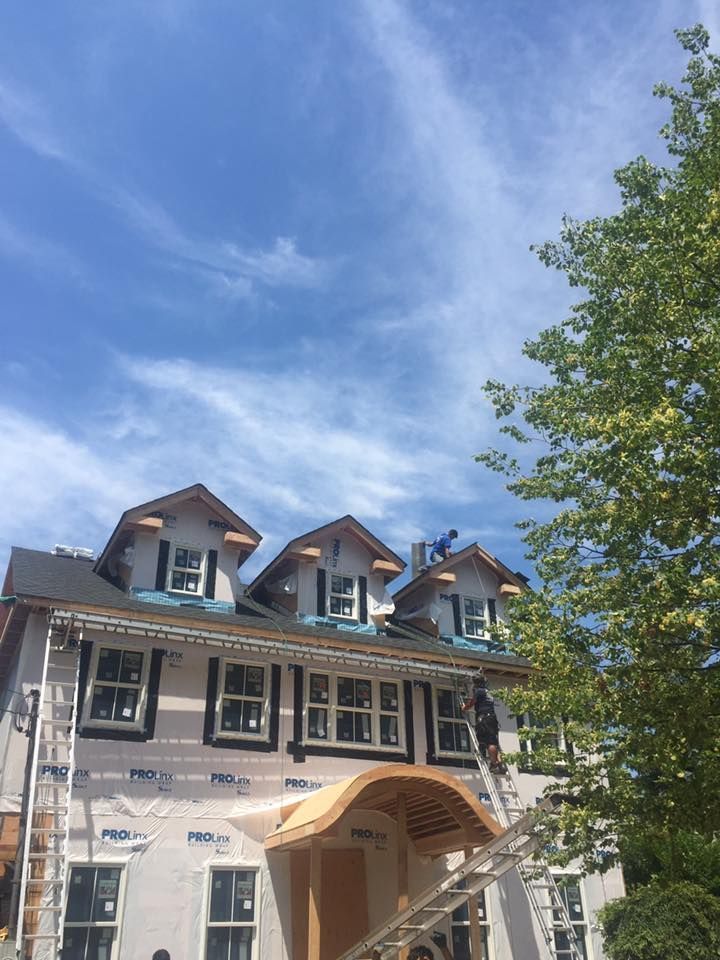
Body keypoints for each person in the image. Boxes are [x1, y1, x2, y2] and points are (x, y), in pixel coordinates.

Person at [462, 673, 506, 773]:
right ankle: (500, 764)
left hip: (484, 718)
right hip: (492, 718)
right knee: (494, 742)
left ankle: (494, 764)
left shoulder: (479, 691)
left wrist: (465, 708)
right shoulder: (487, 691)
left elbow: (472, 702)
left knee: (488, 742)